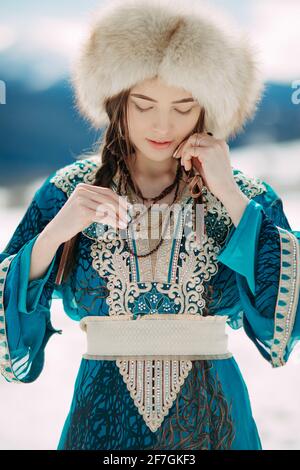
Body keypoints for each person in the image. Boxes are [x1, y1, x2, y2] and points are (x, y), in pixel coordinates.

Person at [0, 0, 299, 450]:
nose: (163, 124)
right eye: (144, 104)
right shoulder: (68, 192)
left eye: (184, 107)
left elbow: (285, 323)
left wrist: (233, 198)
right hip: (99, 423)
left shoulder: (246, 197)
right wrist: (55, 234)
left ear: (207, 109)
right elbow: (9, 336)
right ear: (116, 102)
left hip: (217, 423)